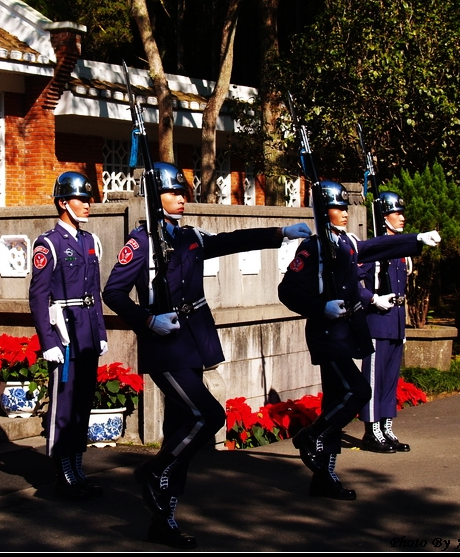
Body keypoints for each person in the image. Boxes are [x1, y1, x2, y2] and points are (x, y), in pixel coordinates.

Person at [102, 162, 312, 549]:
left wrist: (279, 233)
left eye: (183, 192)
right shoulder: (141, 241)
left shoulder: (189, 236)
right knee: (209, 415)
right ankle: (154, 471)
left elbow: (231, 242)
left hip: (193, 345)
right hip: (164, 348)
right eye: (172, 192)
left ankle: (164, 519)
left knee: (180, 431)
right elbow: (112, 294)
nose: (182, 198)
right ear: (155, 197)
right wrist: (148, 321)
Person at [278, 181, 440, 501]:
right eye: (338, 208)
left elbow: (377, 247)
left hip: (346, 334)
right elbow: (288, 290)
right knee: (357, 391)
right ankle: (311, 436)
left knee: (336, 402)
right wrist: (319, 306)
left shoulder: (347, 243)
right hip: (326, 334)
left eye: (345, 207)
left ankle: (325, 474)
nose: (344, 213)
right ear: (323, 211)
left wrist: (415, 241)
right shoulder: (312, 247)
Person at [28, 171, 108, 501]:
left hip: (87, 327)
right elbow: (37, 296)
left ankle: (77, 465)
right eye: (81, 199)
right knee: (65, 403)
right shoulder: (48, 243)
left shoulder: (89, 242)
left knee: (83, 404)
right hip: (64, 332)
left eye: (89, 199)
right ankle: (63, 471)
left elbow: (95, 291)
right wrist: (47, 341)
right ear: (63, 203)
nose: (88, 205)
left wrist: (101, 332)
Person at [358, 191, 414, 453]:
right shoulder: (374, 248)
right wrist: (372, 299)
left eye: (402, 213)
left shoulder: (402, 250)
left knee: (390, 378)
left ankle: (386, 426)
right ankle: (371, 430)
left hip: (396, 322)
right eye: (397, 213)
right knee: (374, 378)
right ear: (384, 218)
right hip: (378, 322)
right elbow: (350, 281)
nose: (402, 218)